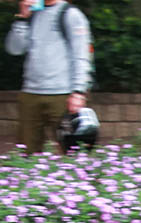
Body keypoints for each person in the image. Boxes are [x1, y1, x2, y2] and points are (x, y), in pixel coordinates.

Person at [5, 0, 93, 154]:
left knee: (71, 153)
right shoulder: (33, 13)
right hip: (30, 93)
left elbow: (81, 55)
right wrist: (22, 18)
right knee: (26, 154)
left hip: (63, 94)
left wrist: (79, 91)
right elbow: (14, 49)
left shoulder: (70, 14)